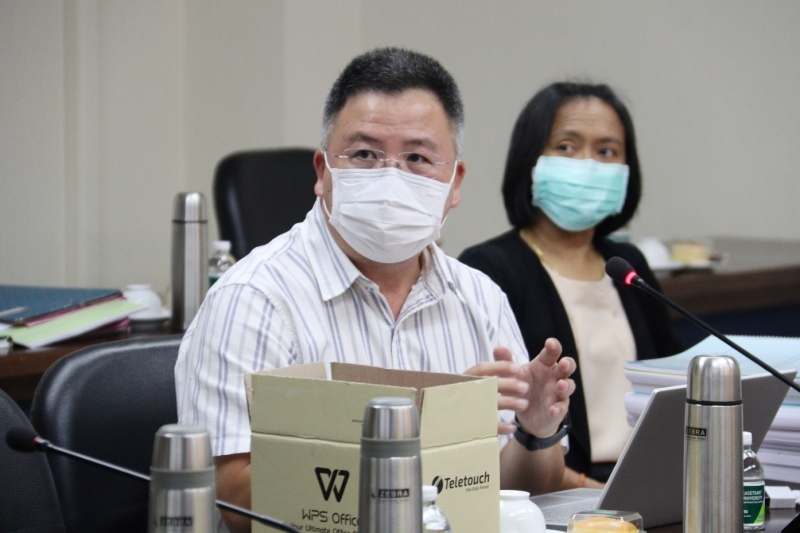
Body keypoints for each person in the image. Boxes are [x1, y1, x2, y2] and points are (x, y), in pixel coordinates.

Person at [175, 48, 576, 533]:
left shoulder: (480, 298)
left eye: (417, 158)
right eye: (365, 154)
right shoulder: (253, 298)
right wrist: (424, 434)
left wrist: (536, 433)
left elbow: (514, 494)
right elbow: (237, 502)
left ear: (454, 183)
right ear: (323, 172)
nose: (391, 176)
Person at [459, 82, 682, 489]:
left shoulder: (627, 264)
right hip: (559, 493)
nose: (588, 165)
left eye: (607, 151)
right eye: (566, 146)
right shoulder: (490, 268)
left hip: (650, 483)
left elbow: (674, 387)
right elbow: (495, 431)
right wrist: (599, 493)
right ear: (531, 159)